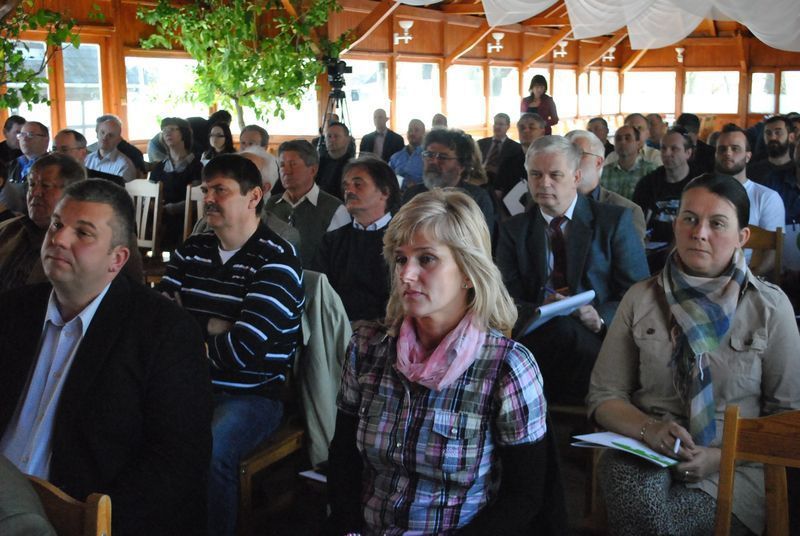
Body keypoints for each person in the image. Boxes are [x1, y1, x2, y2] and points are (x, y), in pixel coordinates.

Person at [327, 188, 558, 535]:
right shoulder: (367, 347)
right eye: (401, 259)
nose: (406, 275)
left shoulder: (506, 367)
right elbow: (343, 458)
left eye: (427, 259)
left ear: (468, 270)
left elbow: (523, 497)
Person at [587, 173, 800, 536]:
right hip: (644, 448)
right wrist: (650, 430)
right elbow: (604, 397)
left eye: (717, 223)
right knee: (645, 512)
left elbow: (789, 418)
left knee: (667, 524)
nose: (699, 233)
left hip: (736, 466)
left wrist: (722, 455)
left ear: (742, 237)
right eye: (689, 219)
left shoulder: (768, 307)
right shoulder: (640, 298)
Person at [0, 179, 213, 536]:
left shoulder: (163, 333)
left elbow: (177, 463)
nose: (59, 239)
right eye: (56, 224)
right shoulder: (13, 310)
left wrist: (93, 525)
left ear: (117, 259)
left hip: (82, 519)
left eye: (83, 233)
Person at [158, 154, 304, 536]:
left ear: (254, 196)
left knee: (211, 452)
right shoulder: (192, 250)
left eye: (220, 190)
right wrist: (213, 326)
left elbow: (242, 353)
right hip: (185, 385)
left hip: (252, 395)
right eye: (206, 190)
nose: (208, 198)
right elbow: (157, 329)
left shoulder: (276, 261)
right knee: (120, 424)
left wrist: (188, 324)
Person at [496, 135, 648, 403]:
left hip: (597, 337)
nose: (544, 183)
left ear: (577, 177)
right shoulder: (514, 230)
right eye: (535, 175)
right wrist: (539, 309)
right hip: (538, 335)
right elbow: (505, 298)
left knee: (564, 334)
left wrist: (600, 317)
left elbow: (637, 292)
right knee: (555, 332)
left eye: (555, 175)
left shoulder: (612, 222)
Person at [310, 156, 400, 322]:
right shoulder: (332, 241)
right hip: (338, 328)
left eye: (358, 184)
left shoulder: (403, 241)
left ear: (385, 192)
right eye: (346, 185)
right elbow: (320, 292)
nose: (349, 190)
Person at [265, 139, 350, 265]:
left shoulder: (334, 209)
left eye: (293, 164)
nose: (286, 171)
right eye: (282, 165)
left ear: (313, 170)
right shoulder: (271, 204)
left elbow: (341, 259)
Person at [715, 124, 785, 276]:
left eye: (735, 149)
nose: (727, 153)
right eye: (722, 149)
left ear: (748, 156)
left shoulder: (768, 198)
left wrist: (744, 282)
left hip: (750, 280)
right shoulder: (704, 195)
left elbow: (773, 254)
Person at [402, 129, 495, 233]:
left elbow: (482, 244)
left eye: (442, 157)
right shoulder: (412, 196)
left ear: (461, 165)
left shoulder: (477, 199)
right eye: (429, 155)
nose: (434, 161)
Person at [566, 129, 646, 243]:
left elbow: (631, 259)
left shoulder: (626, 211)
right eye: (565, 155)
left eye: (579, 154)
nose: (569, 161)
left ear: (598, 162)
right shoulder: (546, 204)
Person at [633, 126, 696, 244]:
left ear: (688, 153)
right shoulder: (647, 184)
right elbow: (637, 222)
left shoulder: (699, 184)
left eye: (674, 149)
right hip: (653, 249)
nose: (667, 153)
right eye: (663, 148)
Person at [149, 117, 203, 250]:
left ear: (184, 133)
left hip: (186, 221)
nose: (167, 133)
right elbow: (149, 196)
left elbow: (196, 201)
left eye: (172, 129)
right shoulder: (159, 167)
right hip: (160, 219)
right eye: (164, 130)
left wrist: (169, 208)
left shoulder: (196, 166)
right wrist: (153, 206)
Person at [601, 125, 659, 200]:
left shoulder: (650, 170)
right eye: (618, 139)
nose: (622, 142)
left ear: (638, 143)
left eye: (628, 138)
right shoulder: (604, 172)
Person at [52, 129, 125, 186]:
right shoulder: (46, 181)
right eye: (54, 149)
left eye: (64, 150)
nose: (57, 154)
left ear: (83, 153)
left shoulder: (111, 183)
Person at [84, 115, 137, 182]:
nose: (104, 138)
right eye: (102, 132)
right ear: (97, 134)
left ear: (118, 140)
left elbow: (121, 191)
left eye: (110, 135)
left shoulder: (124, 165)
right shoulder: (87, 159)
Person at [478, 113, 524, 188]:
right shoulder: (481, 143)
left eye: (501, 124)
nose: (497, 127)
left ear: (508, 127)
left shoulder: (515, 147)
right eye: (496, 123)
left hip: (501, 182)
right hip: (480, 178)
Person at [747, 114, 794, 180]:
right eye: (768, 133)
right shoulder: (751, 171)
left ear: (791, 137)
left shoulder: (796, 172)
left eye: (778, 133)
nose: (772, 138)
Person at [317, 121, 356, 199]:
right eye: (329, 136)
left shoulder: (352, 166)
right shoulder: (318, 162)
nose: (332, 140)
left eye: (336, 136)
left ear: (347, 140)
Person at [388, 118, 425, 190]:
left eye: (416, 130)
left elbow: (433, 182)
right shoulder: (395, 157)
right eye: (410, 130)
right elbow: (387, 178)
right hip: (397, 196)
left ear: (423, 133)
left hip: (420, 197)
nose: (412, 133)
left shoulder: (428, 157)